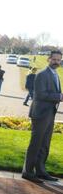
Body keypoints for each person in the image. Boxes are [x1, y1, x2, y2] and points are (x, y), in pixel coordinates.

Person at [22, 50, 62, 183]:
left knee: (45, 144)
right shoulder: (42, 75)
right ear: (48, 59)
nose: (56, 62)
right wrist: (59, 97)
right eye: (54, 59)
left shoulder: (55, 74)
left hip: (50, 113)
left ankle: (40, 171)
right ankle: (28, 172)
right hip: (40, 114)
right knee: (36, 143)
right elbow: (40, 95)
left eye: (58, 60)